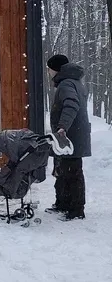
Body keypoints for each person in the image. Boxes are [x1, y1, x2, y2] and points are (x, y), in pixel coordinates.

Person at [46, 54, 91, 220]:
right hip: (71, 135)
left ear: (55, 69)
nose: (48, 72)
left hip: (70, 137)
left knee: (72, 173)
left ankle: (76, 210)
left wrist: (62, 127)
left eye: (49, 68)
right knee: (63, 170)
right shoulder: (74, 82)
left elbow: (71, 104)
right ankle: (63, 204)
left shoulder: (66, 84)